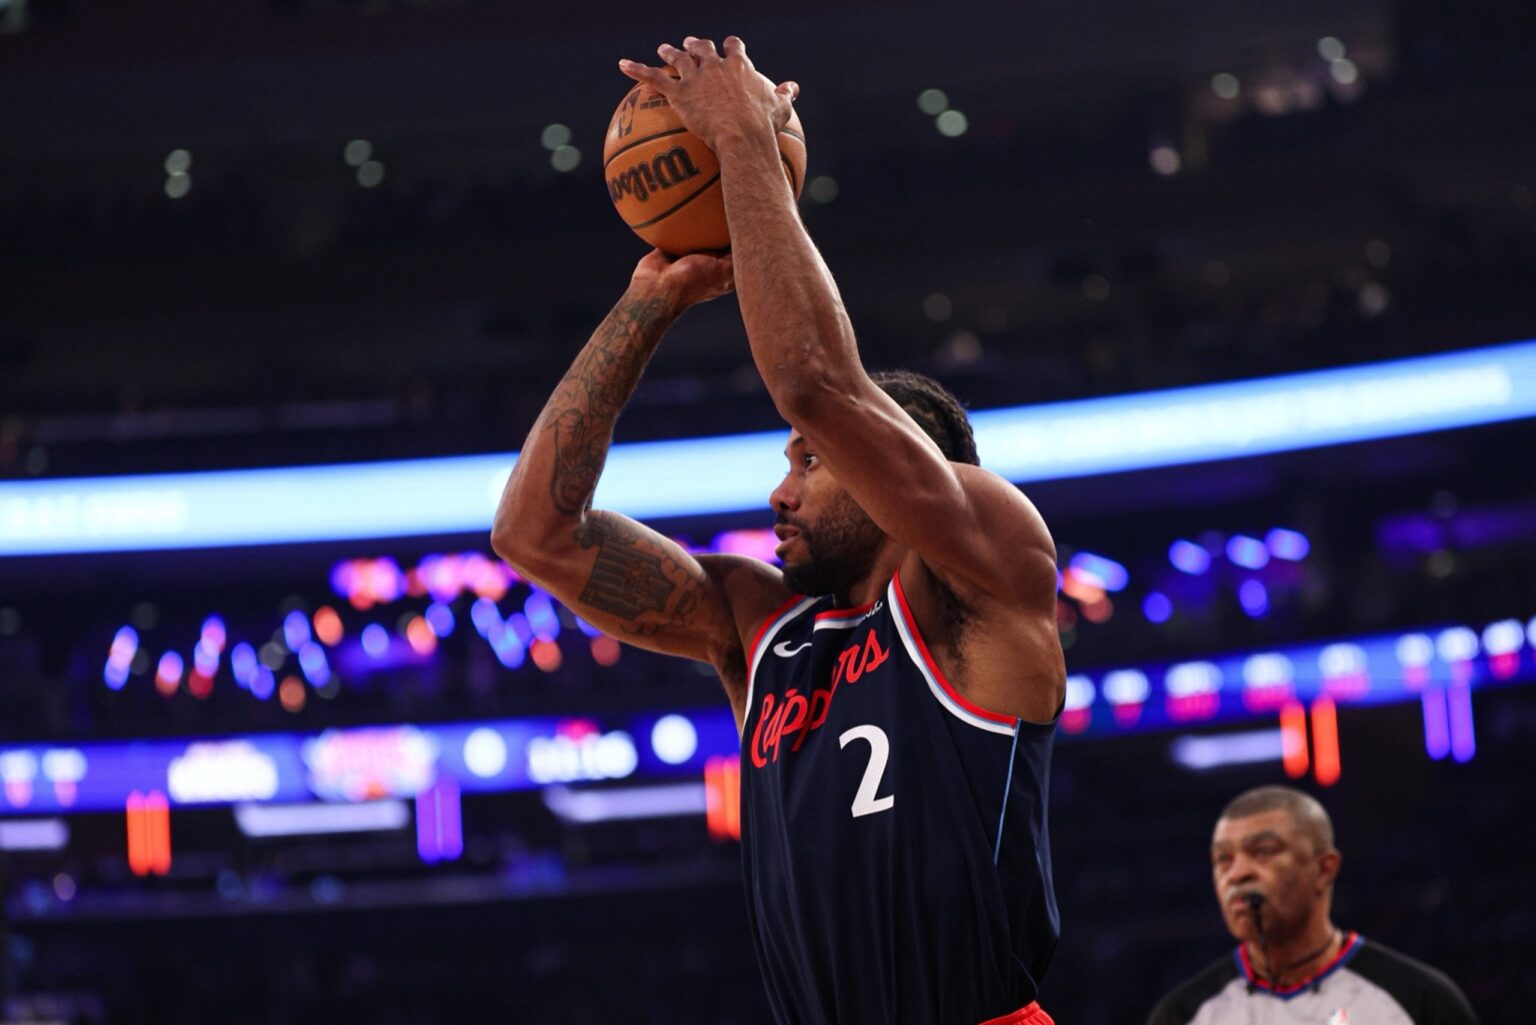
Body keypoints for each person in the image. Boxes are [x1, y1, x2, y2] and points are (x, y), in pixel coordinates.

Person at [492, 34, 1065, 1025]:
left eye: (808, 459)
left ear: (905, 470)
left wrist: (745, 142)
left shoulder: (987, 565)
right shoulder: (760, 628)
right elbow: (534, 534)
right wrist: (645, 303)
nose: (779, 490)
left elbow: (814, 378)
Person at [1147, 785, 1481, 1025]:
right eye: (1223, 860)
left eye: (1262, 851)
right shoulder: (1183, 1014)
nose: (1237, 873)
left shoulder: (1420, 1000)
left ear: (1324, 869)